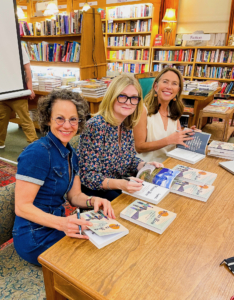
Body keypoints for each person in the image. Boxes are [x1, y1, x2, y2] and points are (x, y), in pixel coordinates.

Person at [13, 90, 115, 266]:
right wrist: (62, 223)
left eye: (73, 119)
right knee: (97, 259)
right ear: (47, 119)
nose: (67, 125)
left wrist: (93, 200)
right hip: (34, 235)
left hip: (57, 225)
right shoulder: (37, 152)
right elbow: (22, 207)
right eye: (60, 118)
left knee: (106, 246)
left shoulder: (70, 153)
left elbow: (75, 197)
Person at [78, 74, 163, 201]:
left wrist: (144, 165)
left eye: (134, 98)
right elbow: (88, 176)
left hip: (119, 184)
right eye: (122, 96)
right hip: (95, 190)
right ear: (112, 97)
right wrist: (120, 184)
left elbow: (127, 160)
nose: (128, 103)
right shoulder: (95, 126)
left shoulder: (126, 124)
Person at [133, 67, 196, 163]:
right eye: (165, 81)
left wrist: (190, 134)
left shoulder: (174, 111)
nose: (169, 87)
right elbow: (139, 147)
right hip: (148, 166)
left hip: (170, 163)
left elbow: (177, 138)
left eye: (174, 84)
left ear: (178, 90)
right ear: (155, 86)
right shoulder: (142, 110)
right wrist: (168, 140)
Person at [0, 46, 38, 149]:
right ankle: (0, 143)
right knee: (1, 120)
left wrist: (30, 88)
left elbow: (27, 68)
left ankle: (34, 144)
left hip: (18, 94)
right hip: (3, 94)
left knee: (25, 119)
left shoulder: (17, 46)